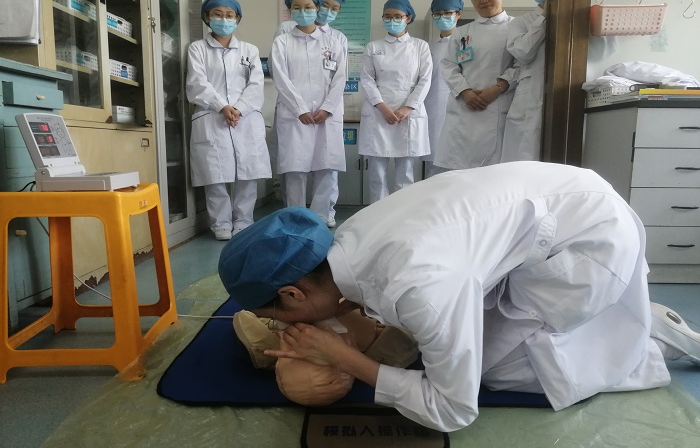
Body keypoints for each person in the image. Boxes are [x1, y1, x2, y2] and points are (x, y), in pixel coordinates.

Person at [219, 161, 700, 432]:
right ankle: (628, 320)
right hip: (565, 199)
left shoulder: (418, 285)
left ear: (292, 292)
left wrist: (345, 359)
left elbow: (453, 411)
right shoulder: (348, 239)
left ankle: (645, 347)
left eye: (277, 315)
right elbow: (380, 295)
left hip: (589, 240)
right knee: (459, 336)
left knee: (497, 371)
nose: (283, 326)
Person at [186, 0, 271, 241]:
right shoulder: (197, 49)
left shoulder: (249, 50)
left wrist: (239, 108)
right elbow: (197, 82)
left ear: (237, 19)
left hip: (245, 118)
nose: (224, 19)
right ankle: (221, 223)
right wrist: (222, 106)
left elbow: (256, 84)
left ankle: (244, 221)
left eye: (229, 15)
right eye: (217, 14)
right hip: (212, 116)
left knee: (247, 173)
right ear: (207, 17)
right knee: (215, 175)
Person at [271, 0, 349, 228]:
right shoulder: (282, 42)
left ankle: (320, 217)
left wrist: (328, 108)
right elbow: (280, 77)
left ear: (317, 7)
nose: (303, 11)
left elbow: (340, 77)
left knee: (326, 166)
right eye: (296, 7)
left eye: (308, 7)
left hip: (327, 114)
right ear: (289, 10)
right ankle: (295, 217)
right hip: (295, 115)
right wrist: (300, 109)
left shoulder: (334, 41)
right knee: (295, 169)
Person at [434, 0, 517, 171]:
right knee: (459, 173)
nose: (483, 0)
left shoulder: (516, 27)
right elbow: (448, 64)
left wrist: (497, 88)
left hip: (498, 106)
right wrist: (465, 92)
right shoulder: (463, 32)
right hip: (464, 110)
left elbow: (521, 65)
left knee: (493, 173)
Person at [358, 0, 432, 203]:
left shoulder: (420, 46)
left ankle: (401, 212)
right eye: (388, 17)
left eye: (398, 16)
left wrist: (407, 108)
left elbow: (425, 80)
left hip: (408, 114)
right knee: (376, 172)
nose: (392, 20)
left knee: (405, 172)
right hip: (378, 113)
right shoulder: (373, 47)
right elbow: (367, 79)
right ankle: (377, 212)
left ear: (408, 18)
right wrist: (383, 108)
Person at [501, 0, 561, 162]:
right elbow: (523, 53)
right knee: (524, 159)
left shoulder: (575, 18)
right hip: (529, 101)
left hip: (564, 98)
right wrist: (544, 17)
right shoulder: (521, 22)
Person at [422, 0, 464, 178]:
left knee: (460, 167)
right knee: (434, 166)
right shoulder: (428, 47)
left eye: (447, 13)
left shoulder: (468, 41)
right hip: (433, 110)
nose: (442, 18)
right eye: (438, 14)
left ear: (458, 14)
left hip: (462, 108)